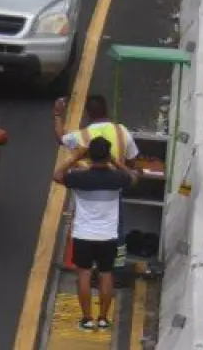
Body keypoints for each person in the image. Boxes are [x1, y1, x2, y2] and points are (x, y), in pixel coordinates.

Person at [55, 138, 138, 332]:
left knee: (84, 274)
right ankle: (103, 319)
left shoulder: (78, 177)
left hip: (83, 235)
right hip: (108, 236)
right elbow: (133, 178)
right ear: (107, 155)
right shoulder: (117, 178)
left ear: (89, 155)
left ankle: (86, 319)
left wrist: (74, 156)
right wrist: (116, 162)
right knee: (106, 274)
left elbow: (57, 175)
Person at [53, 93, 140, 267]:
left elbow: (60, 138)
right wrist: (120, 166)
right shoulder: (121, 131)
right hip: (114, 186)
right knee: (116, 228)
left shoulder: (81, 136)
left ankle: (85, 264)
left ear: (87, 113)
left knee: (85, 227)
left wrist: (57, 114)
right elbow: (132, 161)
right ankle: (116, 267)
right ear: (107, 110)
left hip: (86, 184)